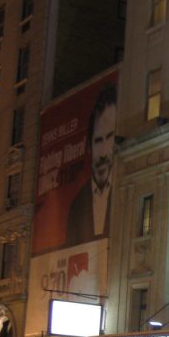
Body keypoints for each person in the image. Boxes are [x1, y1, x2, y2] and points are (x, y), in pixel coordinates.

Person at [66, 83, 117, 246]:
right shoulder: (76, 206)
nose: (103, 153)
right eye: (98, 141)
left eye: (110, 138)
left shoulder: (123, 191)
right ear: (89, 147)